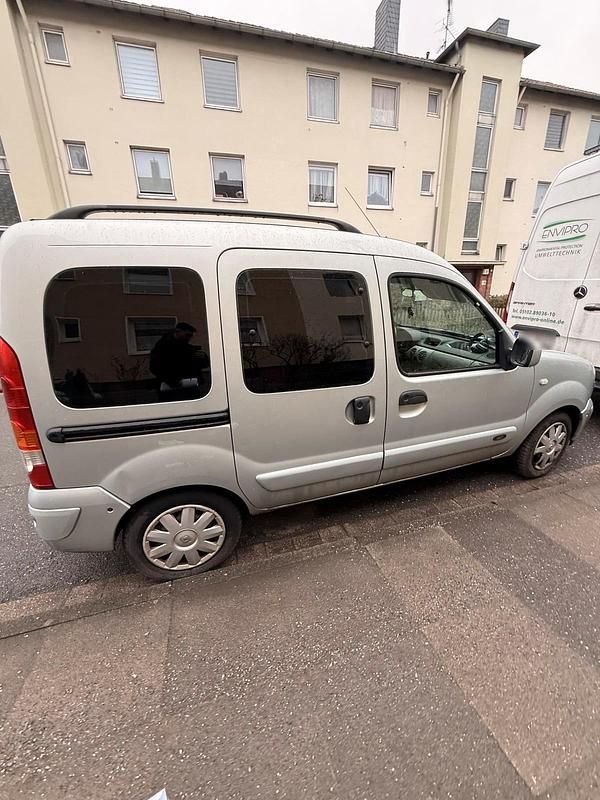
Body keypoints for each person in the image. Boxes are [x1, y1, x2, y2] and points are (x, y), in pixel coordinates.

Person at [149, 322, 209, 401]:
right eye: (187, 335)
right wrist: (174, 381)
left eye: (190, 336)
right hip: (171, 390)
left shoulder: (186, 347)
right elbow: (154, 367)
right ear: (177, 332)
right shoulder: (162, 347)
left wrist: (202, 358)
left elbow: (198, 365)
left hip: (189, 388)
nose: (189, 338)